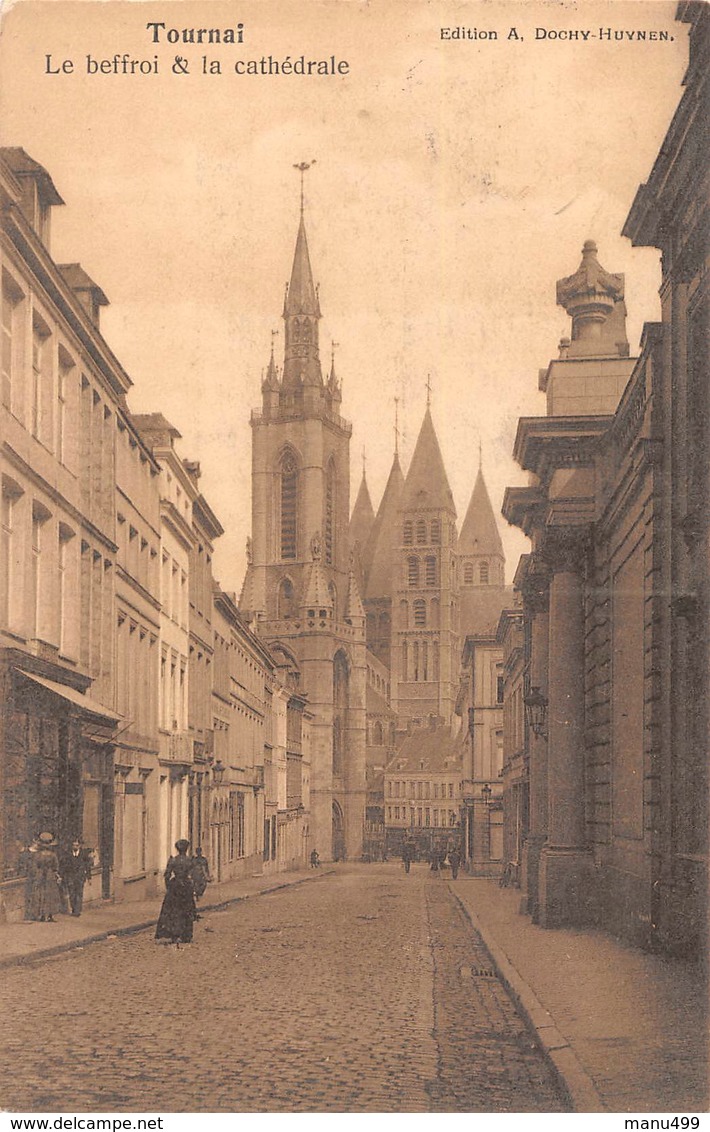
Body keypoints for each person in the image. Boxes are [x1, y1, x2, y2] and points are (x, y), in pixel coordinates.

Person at [155, 839, 196, 944]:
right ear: (186, 849)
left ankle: (173, 933)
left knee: (173, 911)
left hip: (175, 887)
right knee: (186, 910)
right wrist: (192, 888)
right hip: (186, 887)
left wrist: (169, 887)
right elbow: (194, 876)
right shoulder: (190, 861)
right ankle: (186, 934)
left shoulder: (173, 860)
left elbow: (167, 875)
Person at [27, 832, 63, 922]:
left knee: (40, 895)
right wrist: (55, 874)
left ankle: (41, 915)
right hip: (50, 876)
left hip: (40, 876)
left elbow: (34, 866)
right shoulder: (53, 855)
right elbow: (56, 867)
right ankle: (49, 915)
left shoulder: (37, 855)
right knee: (50, 895)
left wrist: (36, 874)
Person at [60, 838, 94, 916]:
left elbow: (87, 867)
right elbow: (64, 866)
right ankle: (74, 909)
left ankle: (77, 910)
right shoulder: (68, 855)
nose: (75, 847)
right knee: (72, 893)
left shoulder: (83, 854)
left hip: (80, 877)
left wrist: (89, 878)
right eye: (74, 845)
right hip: (70, 877)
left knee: (79, 893)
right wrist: (62, 876)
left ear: (80, 846)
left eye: (77, 845)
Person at [191, 846, 212, 916]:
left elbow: (206, 868)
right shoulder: (195, 859)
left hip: (199, 874)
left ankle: (198, 894)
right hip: (197, 874)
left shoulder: (203, 859)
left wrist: (207, 875)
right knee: (198, 885)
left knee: (202, 885)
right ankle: (198, 895)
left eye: (199, 852)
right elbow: (192, 867)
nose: (199, 853)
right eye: (198, 852)